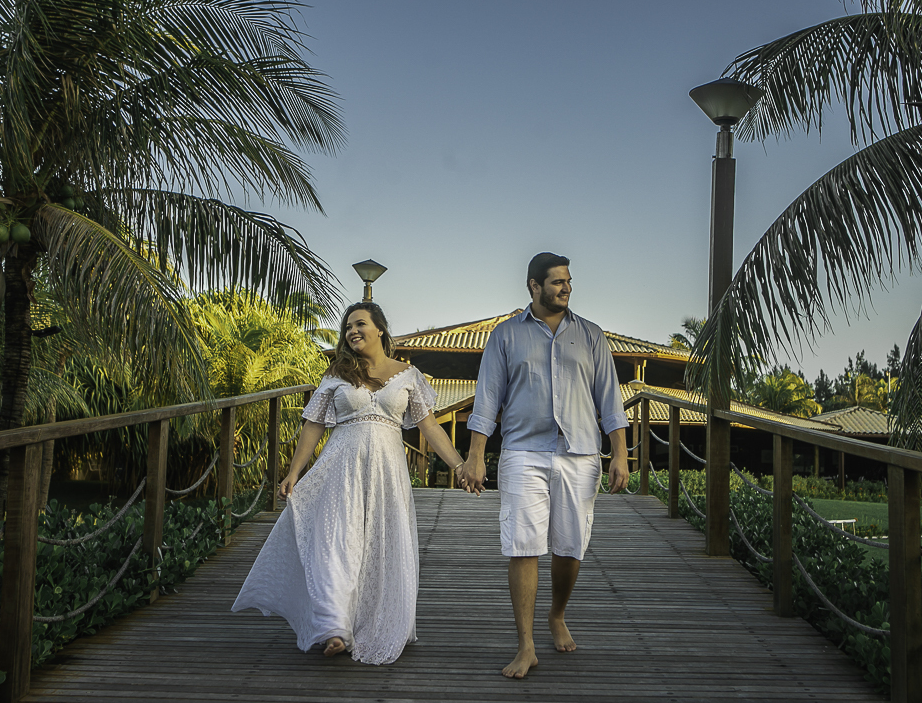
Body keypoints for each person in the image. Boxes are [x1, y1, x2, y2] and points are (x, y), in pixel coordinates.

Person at [231, 302, 472, 664]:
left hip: (387, 474)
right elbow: (313, 424)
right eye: (347, 327)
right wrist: (294, 471)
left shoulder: (408, 375)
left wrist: (459, 465)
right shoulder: (337, 373)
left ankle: (375, 619)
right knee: (336, 541)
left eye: (360, 324)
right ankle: (334, 627)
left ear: (380, 330)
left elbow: (430, 427)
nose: (352, 331)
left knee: (381, 543)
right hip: (339, 468)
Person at [458, 252, 630, 679]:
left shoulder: (591, 335)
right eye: (556, 282)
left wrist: (621, 452)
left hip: (581, 452)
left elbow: (609, 399)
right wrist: (476, 454)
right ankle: (526, 644)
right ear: (533, 287)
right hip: (522, 452)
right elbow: (487, 399)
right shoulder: (505, 336)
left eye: (568, 281)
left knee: (570, 547)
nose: (565, 288)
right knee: (522, 544)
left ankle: (557, 613)